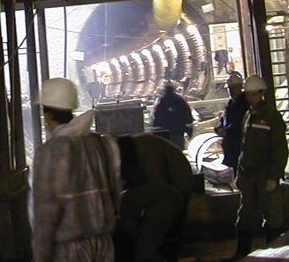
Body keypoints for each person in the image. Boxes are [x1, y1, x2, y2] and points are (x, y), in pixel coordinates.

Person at [32, 77, 121, 262]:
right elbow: (116, 194)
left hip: (69, 251)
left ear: (47, 115)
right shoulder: (102, 144)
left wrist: (41, 255)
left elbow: (45, 213)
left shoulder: (49, 152)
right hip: (104, 244)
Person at [228, 75, 288, 260]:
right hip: (248, 175)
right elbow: (244, 147)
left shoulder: (272, 116)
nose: (250, 98)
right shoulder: (248, 115)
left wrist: (274, 177)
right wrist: (239, 173)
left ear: (262, 93)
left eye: (253, 95)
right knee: (245, 215)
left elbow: (280, 149)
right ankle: (242, 253)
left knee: (271, 215)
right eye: (248, 95)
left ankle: (274, 253)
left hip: (265, 174)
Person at [115, 133, 193, 262]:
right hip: (166, 192)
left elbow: (160, 190)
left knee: (155, 240)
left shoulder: (148, 151)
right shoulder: (137, 149)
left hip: (174, 187)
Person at [215, 71, 250, 172]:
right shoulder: (231, 102)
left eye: (233, 88)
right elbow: (226, 119)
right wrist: (220, 126)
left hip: (240, 144)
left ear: (240, 87)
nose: (231, 91)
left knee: (241, 170)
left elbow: (241, 123)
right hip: (232, 144)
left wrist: (227, 131)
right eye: (229, 88)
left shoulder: (244, 103)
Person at [152, 81, 195, 149]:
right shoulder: (180, 100)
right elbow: (187, 116)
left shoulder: (160, 101)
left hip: (164, 133)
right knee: (177, 151)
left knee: (165, 151)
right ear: (174, 89)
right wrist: (189, 131)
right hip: (177, 131)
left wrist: (155, 132)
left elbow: (155, 116)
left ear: (165, 90)